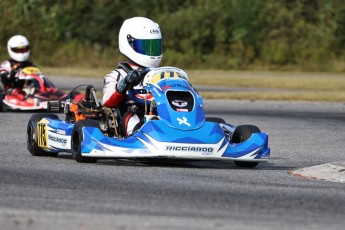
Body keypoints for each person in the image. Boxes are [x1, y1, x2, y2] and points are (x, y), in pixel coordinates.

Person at [102, 17, 162, 136]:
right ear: (129, 43)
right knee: (130, 116)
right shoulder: (117, 75)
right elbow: (108, 102)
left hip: (161, 115)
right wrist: (125, 84)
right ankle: (140, 134)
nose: (150, 51)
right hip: (132, 117)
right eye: (145, 46)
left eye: (154, 46)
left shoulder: (161, 75)